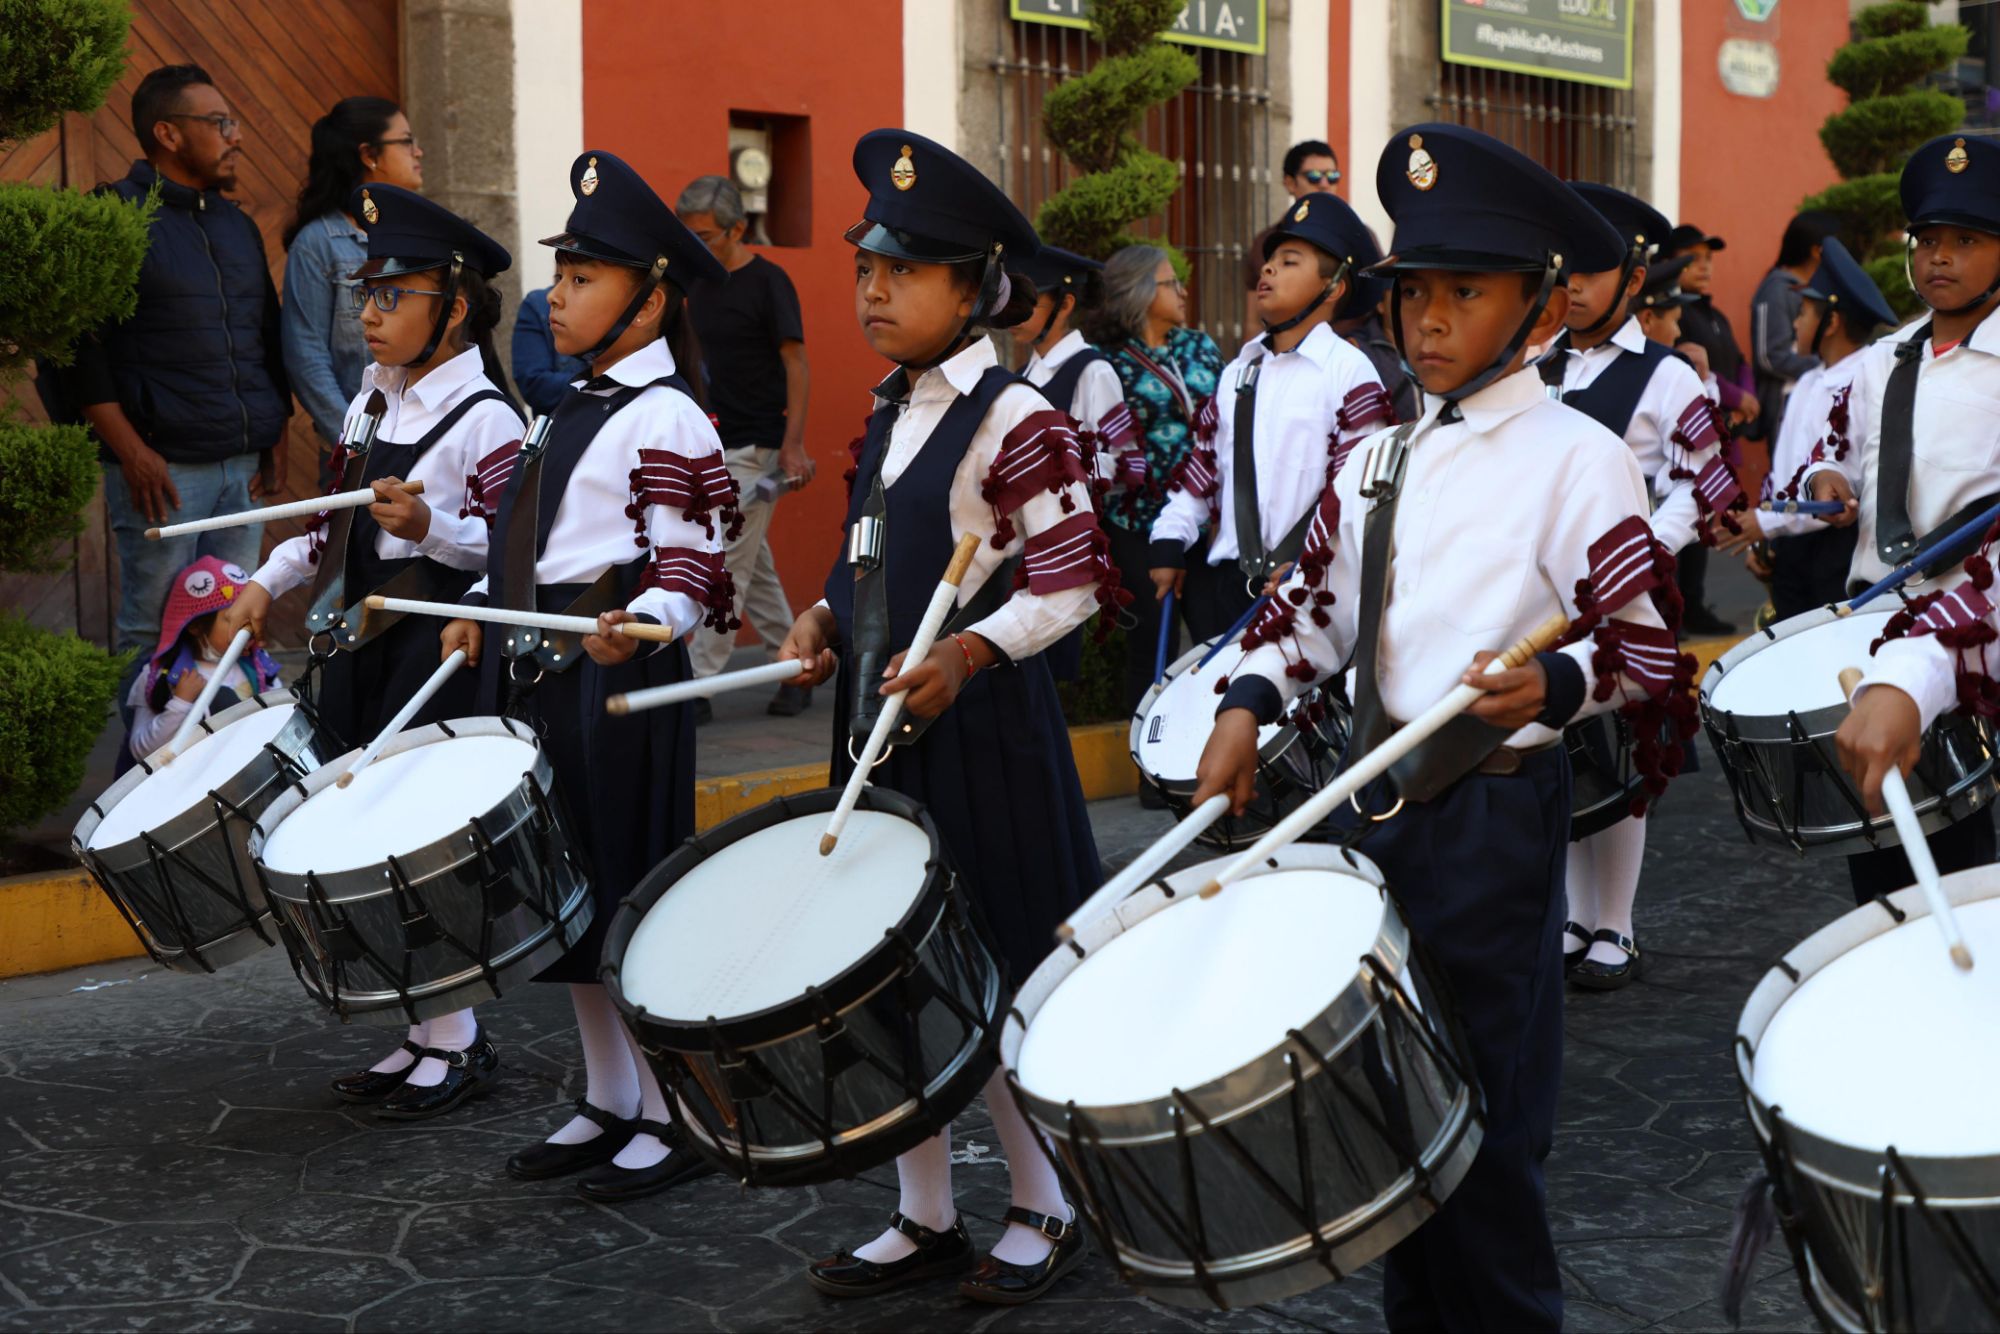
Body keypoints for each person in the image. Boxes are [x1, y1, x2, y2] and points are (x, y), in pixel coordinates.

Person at [1193, 125, 1677, 1332]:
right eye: (1415, 292)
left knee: (1486, 1122)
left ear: (1537, 308)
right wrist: (1244, 703)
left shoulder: (1579, 458)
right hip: (1374, 809)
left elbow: (1645, 647)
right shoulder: (1375, 455)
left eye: (1465, 293)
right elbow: (1304, 614)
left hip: (1492, 815)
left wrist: (1555, 685)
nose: (1429, 319)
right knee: (1393, 1114)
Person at [776, 129, 1119, 1305]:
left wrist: (970, 651)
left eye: (904, 271)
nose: (873, 289)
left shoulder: (1014, 416)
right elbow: (868, 553)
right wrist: (824, 617)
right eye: (865, 268)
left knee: (1002, 960)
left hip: (981, 732)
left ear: (973, 290)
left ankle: (1044, 1200)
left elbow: (1071, 579)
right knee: (891, 966)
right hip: (879, 728)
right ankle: (923, 1209)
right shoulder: (891, 409)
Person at [447, 149, 733, 1200]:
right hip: (541, 679)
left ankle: (674, 1110)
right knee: (570, 901)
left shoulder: (667, 415)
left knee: (627, 898)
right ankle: (610, 1096)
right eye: (559, 275)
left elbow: (691, 568)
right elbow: (529, 544)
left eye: (581, 278)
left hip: (614, 685)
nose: (555, 296)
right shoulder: (563, 404)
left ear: (649, 299)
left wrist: (645, 624)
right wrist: (478, 607)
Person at [220, 186, 523, 1120]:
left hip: (431, 648)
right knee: (364, 839)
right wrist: (267, 581)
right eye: (367, 295)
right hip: (355, 643)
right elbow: (329, 525)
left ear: (454, 308)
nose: (370, 314)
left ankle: (460, 1037)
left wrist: (432, 527)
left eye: (394, 296)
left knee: (419, 841)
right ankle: (425, 1027)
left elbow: (513, 552)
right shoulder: (367, 401)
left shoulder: (489, 419)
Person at [1540, 182, 1737, 990]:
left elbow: (1702, 483)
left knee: (1624, 752)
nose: (1575, 288)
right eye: (1565, 273)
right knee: (1560, 743)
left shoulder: (1668, 377)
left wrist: (1648, 547)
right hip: (1546, 591)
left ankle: (1615, 922)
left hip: (1631, 591)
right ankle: (1572, 913)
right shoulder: (1538, 365)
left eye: (1592, 272)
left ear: (1633, 277)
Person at [1808, 132, 2000, 906]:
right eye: (1927, 239)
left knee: (1964, 867)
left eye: (1968, 240)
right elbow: (1837, 447)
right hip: (1875, 630)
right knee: (1884, 862)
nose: (1939, 257)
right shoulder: (1883, 359)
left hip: (1973, 646)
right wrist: (1823, 478)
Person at [62, 65, 289, 700]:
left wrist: (276, 430)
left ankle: (215, 748)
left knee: (232, 623)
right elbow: (79, 353)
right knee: (153, 626)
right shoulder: (112, 216)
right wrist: (131, 452)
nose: (236, 137)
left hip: (240, 466)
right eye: (220, 124)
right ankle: (144, 756)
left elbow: (263, 333)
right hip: (163, 472)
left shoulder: (236, 225)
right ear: (168, 133)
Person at [1149, 192, 1392, 642]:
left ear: (1334, 287)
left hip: (1305, 590)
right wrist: (1170, 537)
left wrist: (1311, 562)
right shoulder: (1239, 371)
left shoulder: (1349, 371)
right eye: (1269, 260)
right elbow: (1205, 471)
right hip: (1224, 589)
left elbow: (1358, 492)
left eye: (1289, 261)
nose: (1268, 269)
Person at [676, 175, 814, 718]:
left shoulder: (768, 282)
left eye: (704, 236)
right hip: (711, 444)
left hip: (757, 446)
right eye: (688, 236)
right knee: (753, 566)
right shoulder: (695, 282)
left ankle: (698, 685)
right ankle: (798, 664)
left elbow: (796, 363)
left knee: (725, 563)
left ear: (737, 230)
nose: (695, 245)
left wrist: (793, 445)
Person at [1085, 246, 1224, 713]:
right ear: (1140, 292)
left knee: (1215, 638)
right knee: (1151, 639)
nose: (1183, 292)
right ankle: (1145, 748)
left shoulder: (1199, 346)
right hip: (1138, 522)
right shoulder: (1105, 362)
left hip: (1204, 519)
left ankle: (1210, 738)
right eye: (1171, 283)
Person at [1724, 238, 1891, 619]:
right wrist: (1765, 541)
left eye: (1803, 313)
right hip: (1794, 547)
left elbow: (1849, 483)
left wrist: (1768, 522)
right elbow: (1783, 469)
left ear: (1830, 323)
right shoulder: (1809, 380)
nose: (1795, 323)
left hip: (1837, 549)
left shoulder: (1866, 379)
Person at [282, 97, 425, 456]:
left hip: (427, 444)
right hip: (359, 455)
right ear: (369, 155)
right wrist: (357, 444)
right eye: (406, 141)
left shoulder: (421, 238)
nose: (418, 151)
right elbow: (307, 359)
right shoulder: (318, 244)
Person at [1019, 243, 1131, 680]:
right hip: (1024, 545)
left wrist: (1063, 467)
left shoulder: (1093, 371)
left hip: (1067, 546)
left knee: (1054, 671)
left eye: (1029, 301)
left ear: (1064, 305)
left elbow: (1124, 462)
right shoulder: (1023, 376)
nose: (1015, 312)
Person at [1666, 221, 1757, 636]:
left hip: (1723, 430)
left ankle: (1695, 604)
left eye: (1708, 259)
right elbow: (1691, 366)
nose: (1704, 267)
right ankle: (1674, 609)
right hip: (1691, 432)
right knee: (1679, 520)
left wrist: (1746, 399)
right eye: (1693, 258)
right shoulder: (1676, 314)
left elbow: (1738, 363)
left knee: (1701, 521)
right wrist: (1739, 398)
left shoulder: (1714, 314)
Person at [124, 556, 284, 762]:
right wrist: (180, 704)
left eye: (248, 616)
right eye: (231, 618)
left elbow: (278, 720)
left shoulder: (259, 668)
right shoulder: (161, 676)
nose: (247, 627)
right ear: (195, 625)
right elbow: (142, 752)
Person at [1750, 210, 1841, 440]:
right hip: (1784, 407)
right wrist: (1825, 365)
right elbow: (1770, 356)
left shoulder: (1811, 287)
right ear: (1816, 251)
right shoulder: (1777, 290)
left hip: (1812, 400)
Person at [1244, 139, 1342, 336]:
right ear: (1290, 183)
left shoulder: (1356, 237)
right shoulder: (1266, 241)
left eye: (1332, 176)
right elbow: (1254, 320)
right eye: (1314, 177)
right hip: (1283, 348)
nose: (1324, 184)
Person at [511, 285, 590, 415]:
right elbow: (533, 384)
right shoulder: (538, 304)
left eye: (580, 280)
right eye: (560, 276)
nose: (552, 297)